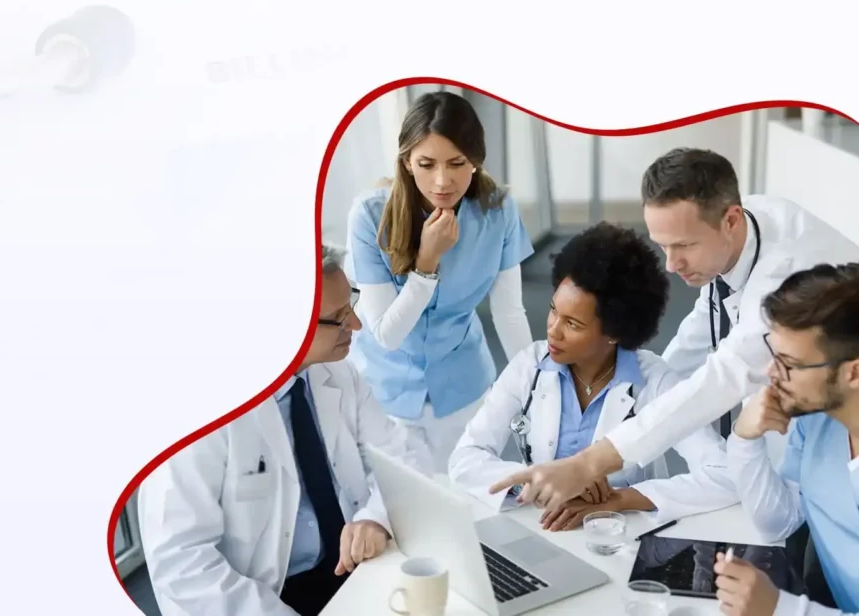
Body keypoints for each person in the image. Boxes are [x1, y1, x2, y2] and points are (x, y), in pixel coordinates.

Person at [491, 148, 859, 512]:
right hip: (808, 416)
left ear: (730, 220)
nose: (670, 264)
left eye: (683, 246)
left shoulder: (784, 275)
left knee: (810, 526)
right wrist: (633, 398)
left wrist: (590, 463)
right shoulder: (735, 230)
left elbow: (723, 378)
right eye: (662, 245)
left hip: (840, 413)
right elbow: (695, 335)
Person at [136, 245, 432, 616]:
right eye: (338, 317)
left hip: (350, 576)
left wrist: (375, 517)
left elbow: (403, 460)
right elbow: (181, 564)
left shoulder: (339, 374)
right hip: (259, 600)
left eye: (350, 306)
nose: (355, 326)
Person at [449, 222, 738, 530]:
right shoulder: (529, 366)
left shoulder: (655, 382)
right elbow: (465, 457)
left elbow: (724, 475)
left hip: (620, 534)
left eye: (572, 324)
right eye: (553, 310)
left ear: (614, 332)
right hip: (541, 525)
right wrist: (543, 481)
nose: (552, 330)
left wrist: (621, 498)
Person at [346, 90, 535, 473]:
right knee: (399, 514)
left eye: (457, 163)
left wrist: (536, 389)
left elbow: (510, 315)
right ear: (407, 162)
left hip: (464, 384)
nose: (442, 180)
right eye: (427, 164)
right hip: (385, 391)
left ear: (476, 161)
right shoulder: (369, 215)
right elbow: (387, 335)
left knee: (468, 506)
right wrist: (426, 264)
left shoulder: (497, 211)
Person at [714, 263, 859, 615]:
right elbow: (779, 522)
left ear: (853, 371)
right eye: (773, 355)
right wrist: (745, 438)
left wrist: (781, 609)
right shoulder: (819, 422)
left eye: (789, 363)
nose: (770, 373)